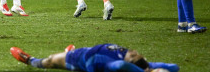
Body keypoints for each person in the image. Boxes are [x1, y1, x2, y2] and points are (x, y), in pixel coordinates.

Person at [10, 44, 179, 72]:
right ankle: (67, 50)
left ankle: (30, 60)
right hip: (86, 51)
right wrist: (150, 67)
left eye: (133, 55)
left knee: (50, 61)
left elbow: (120, 66)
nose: (133, 51)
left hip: (78, 59)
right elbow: (174, 66)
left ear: (131, 62)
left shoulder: (115, 63)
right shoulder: (127, 55)